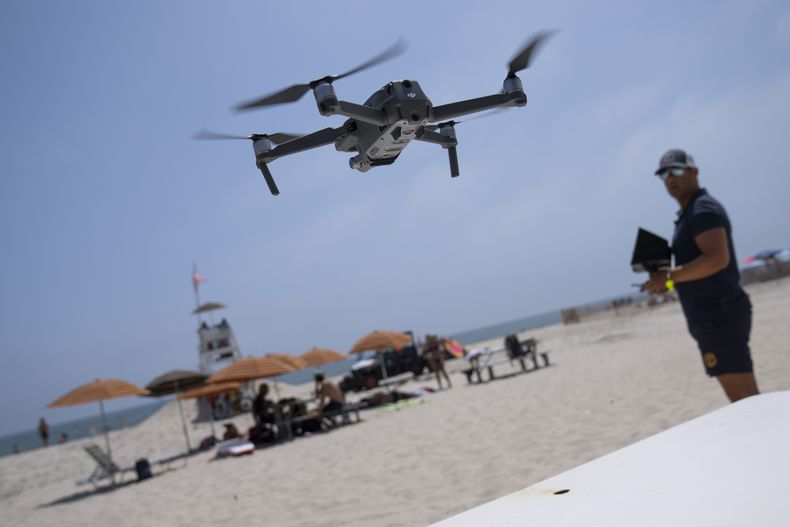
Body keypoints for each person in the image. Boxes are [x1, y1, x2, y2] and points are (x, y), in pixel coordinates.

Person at [643, 149, 759, 403]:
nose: (670, 178)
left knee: (746, 400)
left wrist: (669, 276)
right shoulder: (690, 213)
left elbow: (717, 259)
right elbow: (700, 267)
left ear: (694, 172)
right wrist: (667, 281)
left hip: (719, 314)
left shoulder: (702, 209)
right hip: (713, 316)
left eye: (676, 170)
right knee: (743, 399)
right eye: (663, 174)